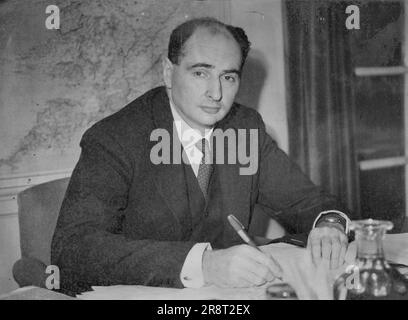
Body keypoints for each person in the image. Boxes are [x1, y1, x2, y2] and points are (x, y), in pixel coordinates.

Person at [51, 17, 350, 295]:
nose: (216, 93)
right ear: (169, 73)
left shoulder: (246, 127)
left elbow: (308, 203)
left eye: (228, 77)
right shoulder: (114, 137)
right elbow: (73, 248)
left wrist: (330, 224)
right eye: (200, 73)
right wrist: (204, 264)